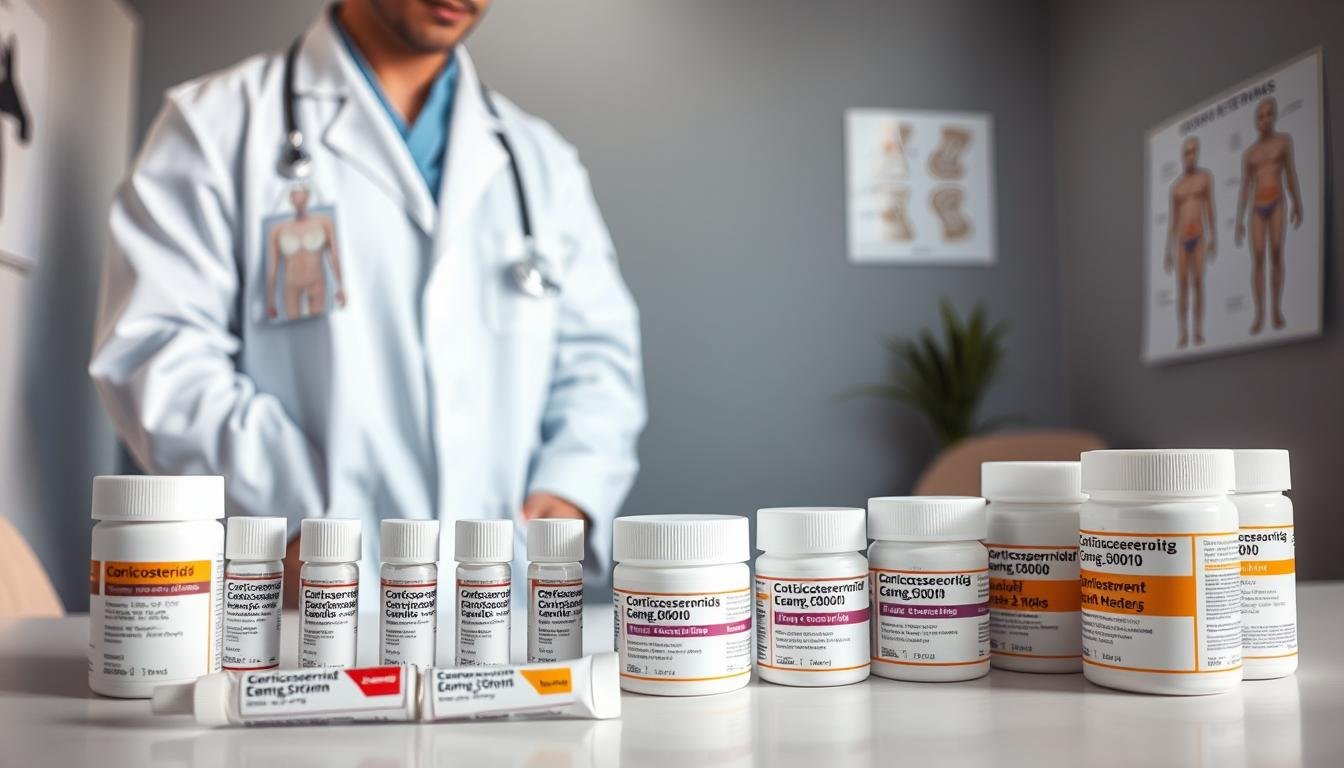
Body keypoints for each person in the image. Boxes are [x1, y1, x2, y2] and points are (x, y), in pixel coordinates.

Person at [88, 0, 646, 603]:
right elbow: (159, 351)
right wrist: (294, 519)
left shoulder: (540, 163)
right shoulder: (215, 125)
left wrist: (567, 496)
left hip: (502, 602)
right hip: (303, 598)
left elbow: (598, 362)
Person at [1235, 97, 1302, 334]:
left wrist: (1297, 202)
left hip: (1277, 203)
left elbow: (1290, 172)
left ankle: (1276, 309)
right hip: (1256, 207)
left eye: (1268, 114)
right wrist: (1238, 220)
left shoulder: (1283, 142)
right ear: (1256, 121)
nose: (1264, 120)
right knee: (1258, 258)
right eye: (1260, 116)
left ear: (1274, 116)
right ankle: (1259, 313)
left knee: (1275, 252)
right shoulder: (1249, 154)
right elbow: (1244, 187)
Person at [1165, 136, 1216, 348]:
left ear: (1198, 153)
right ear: (1182, 156)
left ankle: (1197, 330)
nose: (1190, 156)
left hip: (1199, 237)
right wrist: (1167, 251)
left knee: (1198, 283)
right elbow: (1173, 220)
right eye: (1187, 152)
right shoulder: (1176, 187)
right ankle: (1183, 332)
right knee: (1182, 287)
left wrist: (1214, 236)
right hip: (1181, 240)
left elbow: (1209, 208)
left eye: (1194, 151)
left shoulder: (1205, 178)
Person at [267, 184, 345, 321]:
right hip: (292, 285)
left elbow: (333, 256)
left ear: (308, 196)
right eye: (294, 195)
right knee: (294, 331)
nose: (297, 198)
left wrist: (341, 287)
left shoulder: (324, 223)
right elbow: (273, 267)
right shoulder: (278, 230)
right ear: (290, 198)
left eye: (300, 194)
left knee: (318, 327)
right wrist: (270, 300)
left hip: (316, 282)